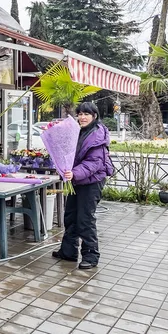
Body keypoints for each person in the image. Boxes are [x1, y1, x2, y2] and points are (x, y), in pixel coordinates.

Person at [53, 102, 113, 270]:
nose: (82, 117)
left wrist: (74, 173)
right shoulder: (78, 131)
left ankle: (91, 256)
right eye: (80, 114)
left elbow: (94, 163)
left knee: (85, 219)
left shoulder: (97, 136)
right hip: (77, 180)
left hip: (92, 182)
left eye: (86, 114)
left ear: (94, 116)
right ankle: (68, 251)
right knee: (70, 216)